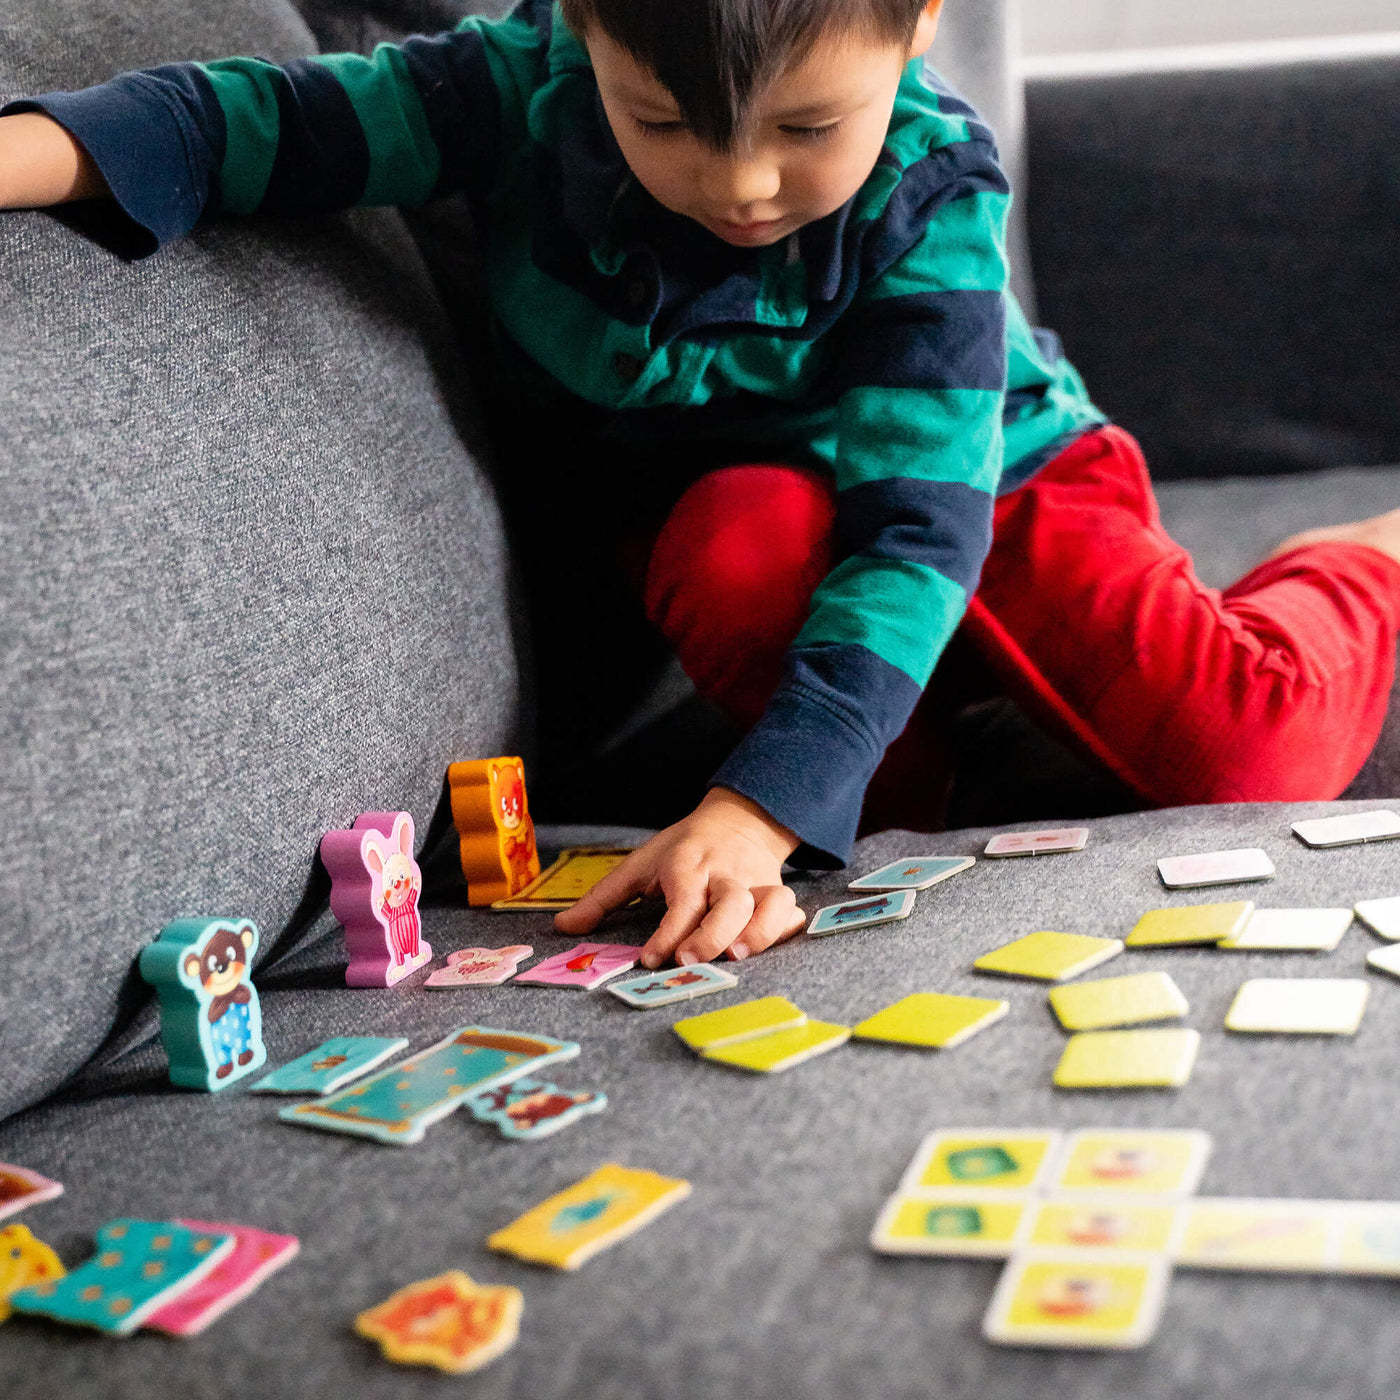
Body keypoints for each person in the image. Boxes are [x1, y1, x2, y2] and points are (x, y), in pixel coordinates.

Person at [2, 0, 1397, 974]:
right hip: (761, 515)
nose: (738, 184)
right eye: (665, 121)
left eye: (806, 126)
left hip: (993, 476)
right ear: (586, 24)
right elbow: (249, 123)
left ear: (916, 20)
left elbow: (920, 526)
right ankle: (900, 765)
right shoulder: (512, 91)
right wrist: (33, 151)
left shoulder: (929, 190)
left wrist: (760, 809)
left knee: (1246, 747)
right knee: (741, 550)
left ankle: (1368, 557)